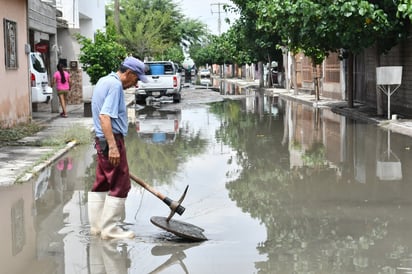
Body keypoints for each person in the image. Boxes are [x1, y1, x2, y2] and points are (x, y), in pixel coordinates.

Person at [88, 56, 148, 240]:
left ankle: (97, 227)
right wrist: (113, 147)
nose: (135, 84)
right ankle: (110, 229)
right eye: (136, 79)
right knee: (121, 184)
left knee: (103, 182)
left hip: (101, 140)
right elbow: (105, 116)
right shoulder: (115, 86)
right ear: (128, 73)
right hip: (111, 139)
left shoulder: (103, 81)